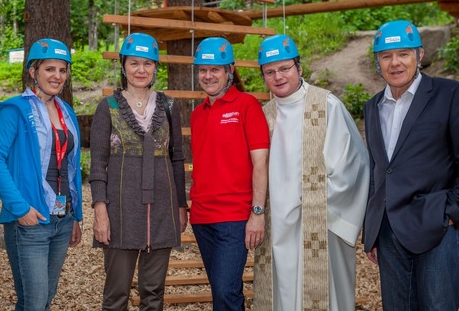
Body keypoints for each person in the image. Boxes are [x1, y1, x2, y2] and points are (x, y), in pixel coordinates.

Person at [363, 20, 459, 310]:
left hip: (435, 225)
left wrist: (453, 212)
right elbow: (377, 170)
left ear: (420, 56)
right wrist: (371, 228)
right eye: (386, 56)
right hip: (388, 231)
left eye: (403, 54)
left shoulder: (451, 95)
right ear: (377, 62)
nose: (395, 63)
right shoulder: (372, 107)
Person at [252, 35, 370, 311]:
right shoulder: (264, 115)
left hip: (320, 222)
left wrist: (318, 207)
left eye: (284, 68)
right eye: (270, 72)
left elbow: (353, 165)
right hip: (276, 226)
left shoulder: (326, 105)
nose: (278, 77)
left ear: (299, 68)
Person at [89, 32, 188, 310]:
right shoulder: (107, 108)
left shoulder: (169, 107)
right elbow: (98, 163)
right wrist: (100, 211)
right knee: (116, 295)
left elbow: (177, 159)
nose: (141, 70)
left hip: (161, 214)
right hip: (120, 214)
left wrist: (180, 206)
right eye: (134, 63)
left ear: (156, 67)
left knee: (154, 295)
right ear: (123, 66)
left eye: (147, 63)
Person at [0, 38, 83, 310]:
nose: (57, 76)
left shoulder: (66, 111)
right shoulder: (15, 109)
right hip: (30, 220)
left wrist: (76, 216)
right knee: (36, 302)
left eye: (63, 70)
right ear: (33, 71)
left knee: (43, 299)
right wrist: (19, 208)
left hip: (62, 219)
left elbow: (71, 167)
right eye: (50, 69)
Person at [189, 37, 269, 310]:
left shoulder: (248, 105)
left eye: (215, 69)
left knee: (226, 291)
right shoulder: (197, 114)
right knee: (222, 292)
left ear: (229, 71)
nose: (208, 75)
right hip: (201, 217)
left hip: (234, 218)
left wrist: (257, 213)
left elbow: (260, 164)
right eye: (202, 69)